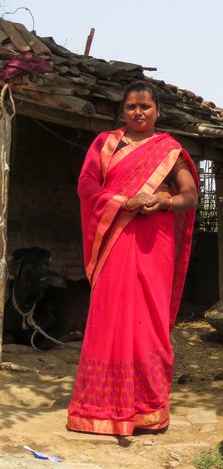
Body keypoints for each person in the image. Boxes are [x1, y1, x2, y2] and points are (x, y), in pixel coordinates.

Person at [67, 80, 198, 435]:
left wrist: (163, 201)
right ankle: (100, 407)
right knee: (110, 315)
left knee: (150, 320)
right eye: (131, 107)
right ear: (122, 111)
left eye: (145, 107)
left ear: (158, 111)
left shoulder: (170, 150)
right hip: (115, 238)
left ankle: (147, 409)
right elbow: (87, 186)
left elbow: (190, 196)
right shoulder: (105, 145)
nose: (139, 113)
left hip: (154, 242)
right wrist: (124, 202)